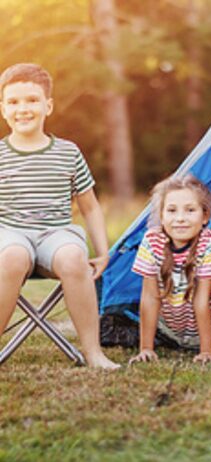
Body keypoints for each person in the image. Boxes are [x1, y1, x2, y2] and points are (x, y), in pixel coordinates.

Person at [0, 63, 119, 369]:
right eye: (13, 102)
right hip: (11, 234)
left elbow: (90, 207)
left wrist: (103, 252)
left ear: (48, 105)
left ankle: (93, 352)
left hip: (56, 233)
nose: (22, 109)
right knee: (12, 255)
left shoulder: (67, 152)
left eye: (31, 100)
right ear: (2, 109)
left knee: (72, 258)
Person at [129, 175, 211, 364]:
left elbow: (202, 300)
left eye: (190, 210)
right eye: (171, 210)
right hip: (169, 334)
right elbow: (150, 297)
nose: (180, 219)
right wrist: (146, 348)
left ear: (205, 216)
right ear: (161, 216)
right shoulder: (152, 240)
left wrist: (207, 351)